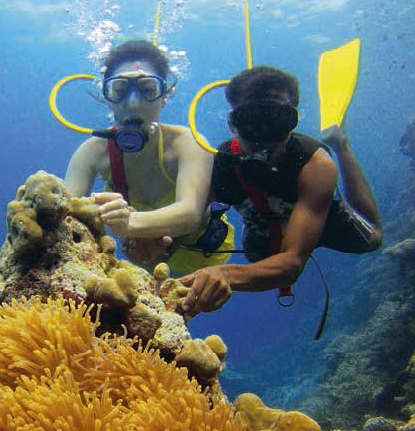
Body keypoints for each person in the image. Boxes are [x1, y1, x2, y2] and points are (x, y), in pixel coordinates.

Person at [180, 65, 382, 316]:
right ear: (233, 124)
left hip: (324, 222)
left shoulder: (316, 164)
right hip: (263, 233)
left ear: (293, 123)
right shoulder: (218, 164)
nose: (264, 137)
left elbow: (292, 264)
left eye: (277, 121)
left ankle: (341, 145)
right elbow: (185, 216)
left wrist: (224, 273)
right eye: (252, 122)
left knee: (373, 239)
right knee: (258, 257)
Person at [65, 39, 234, 274]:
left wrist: (129, 224)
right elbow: (64, 216)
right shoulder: (91, 152)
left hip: (203, 260)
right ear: (106, 96)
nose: (133, 104)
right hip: (144, 270)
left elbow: (190, 213)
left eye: (148, 90)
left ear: (165, 95)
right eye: (120, 90)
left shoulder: (189, 143)